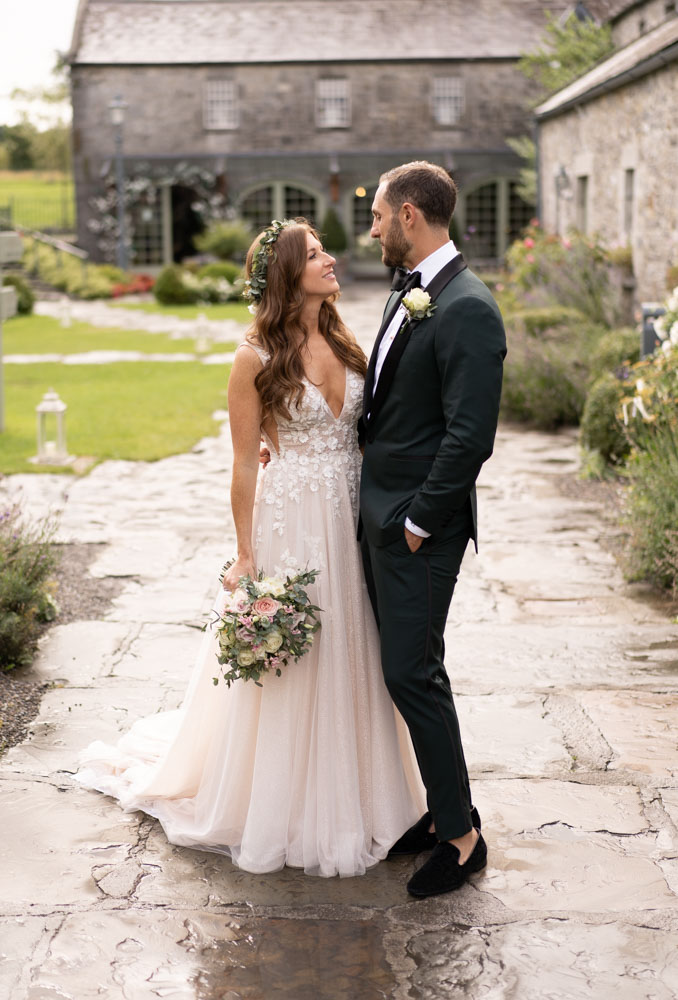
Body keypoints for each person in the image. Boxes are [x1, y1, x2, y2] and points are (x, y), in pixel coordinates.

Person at [75, 218, 425, 878]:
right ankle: (285, 802)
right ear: (289, 275)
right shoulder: (253, 358)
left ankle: (366, 794)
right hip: (289, 517)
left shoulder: (349, 342)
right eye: (316, 254)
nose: (331, 260)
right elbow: (242, 465)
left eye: (326, 251)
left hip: (350, 514)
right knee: (300, 654)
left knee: (358, 644)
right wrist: (245, 556)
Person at [359, 161, 506, 898]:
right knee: (409, 670)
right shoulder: (415, 291)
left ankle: (462, 839)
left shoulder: (468, 307)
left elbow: (470, 436)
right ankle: (446, 809)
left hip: (417, 526)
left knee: (412, 673)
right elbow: (389, 405)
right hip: (384, 515)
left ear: (411, 216)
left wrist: (418, 521)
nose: (374, 227)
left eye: (381, 216)